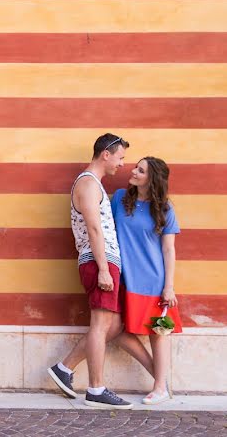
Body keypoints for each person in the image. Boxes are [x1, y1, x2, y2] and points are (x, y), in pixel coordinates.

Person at [46, 134, 153, 409]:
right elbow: (94, 228)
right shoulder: (88, 184)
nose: (122, 164)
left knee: (113, 325)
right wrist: (104, 269)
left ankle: (64, 368)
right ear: (106, 154)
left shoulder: (93, 184)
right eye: (120, 157)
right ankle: (96, 388)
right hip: (98, 260)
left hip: (105, 260)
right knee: (100, 325)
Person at [111, 157, 181, 405]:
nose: (133, 171)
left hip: (153, 280)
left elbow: (169, 250)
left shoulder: (164, 209)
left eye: (140, 170)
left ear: (152, 179)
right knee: (115, 329)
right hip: (123, 278)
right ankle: (160, 378)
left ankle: (159, 386)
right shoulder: (119, 198)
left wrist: (168, 286)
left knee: (158, 333)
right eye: (135, 167)